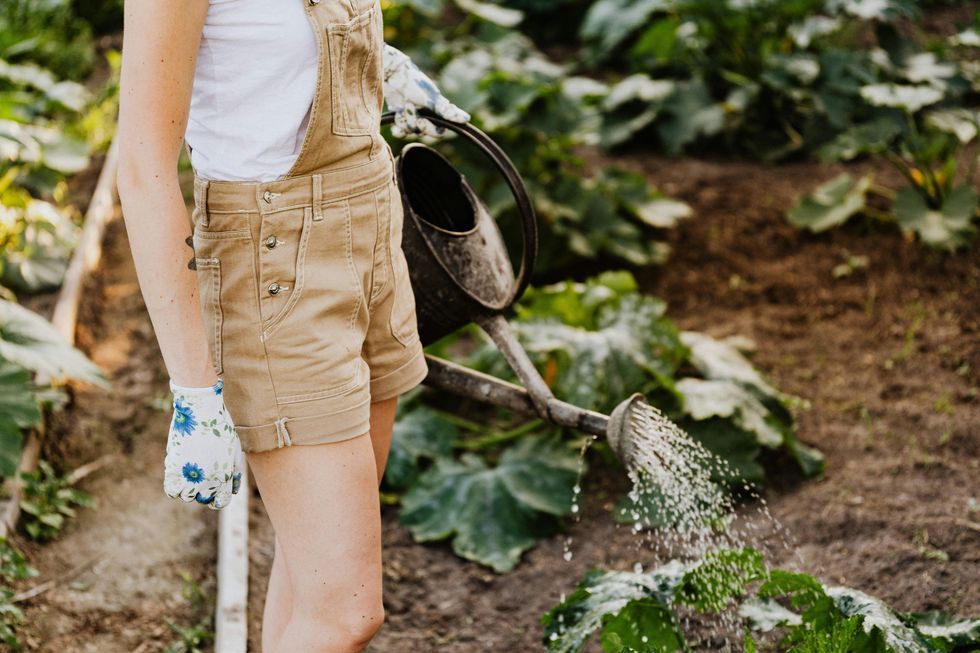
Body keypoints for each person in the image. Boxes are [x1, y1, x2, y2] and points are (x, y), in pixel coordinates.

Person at [115, 0, 470, 650]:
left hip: (369, 228)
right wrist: (195, 390)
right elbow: (141, 167)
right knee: (346, 612)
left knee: (314, 585)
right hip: (276, 263)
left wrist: (380, 68)